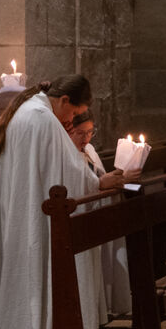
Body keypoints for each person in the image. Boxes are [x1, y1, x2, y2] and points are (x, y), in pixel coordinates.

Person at [0, 77, 131, 329]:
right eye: (74, 113)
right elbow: (70, 172)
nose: (71, 119)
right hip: (37, 214)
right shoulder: (41, 118)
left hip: (28, 210)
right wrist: (99, 182)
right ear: (64, 101)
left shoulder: (28, 110)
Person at [69, 111, 131, 318]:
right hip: (80, 219)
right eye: (80, 133)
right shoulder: (66, 154)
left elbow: (99, 177)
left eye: (90, 132)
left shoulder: (90, 150)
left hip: (98, 214)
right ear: (68, 130)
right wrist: (101, 183)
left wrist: (121, 178)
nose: (86, 138)